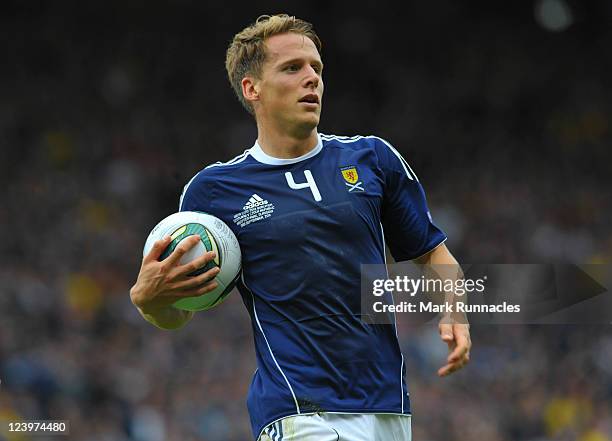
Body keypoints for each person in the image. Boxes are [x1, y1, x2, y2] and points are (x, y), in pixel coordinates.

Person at [130, 14, 471, 441]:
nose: (312, 78)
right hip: (295, 412)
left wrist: (455, 310)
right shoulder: (213, 192)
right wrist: (148, 301)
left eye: (317, 68)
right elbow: (179, 312)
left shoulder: (372, 159)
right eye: (292, 68)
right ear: (251, 88)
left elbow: (433, 253)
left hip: (386, 408)